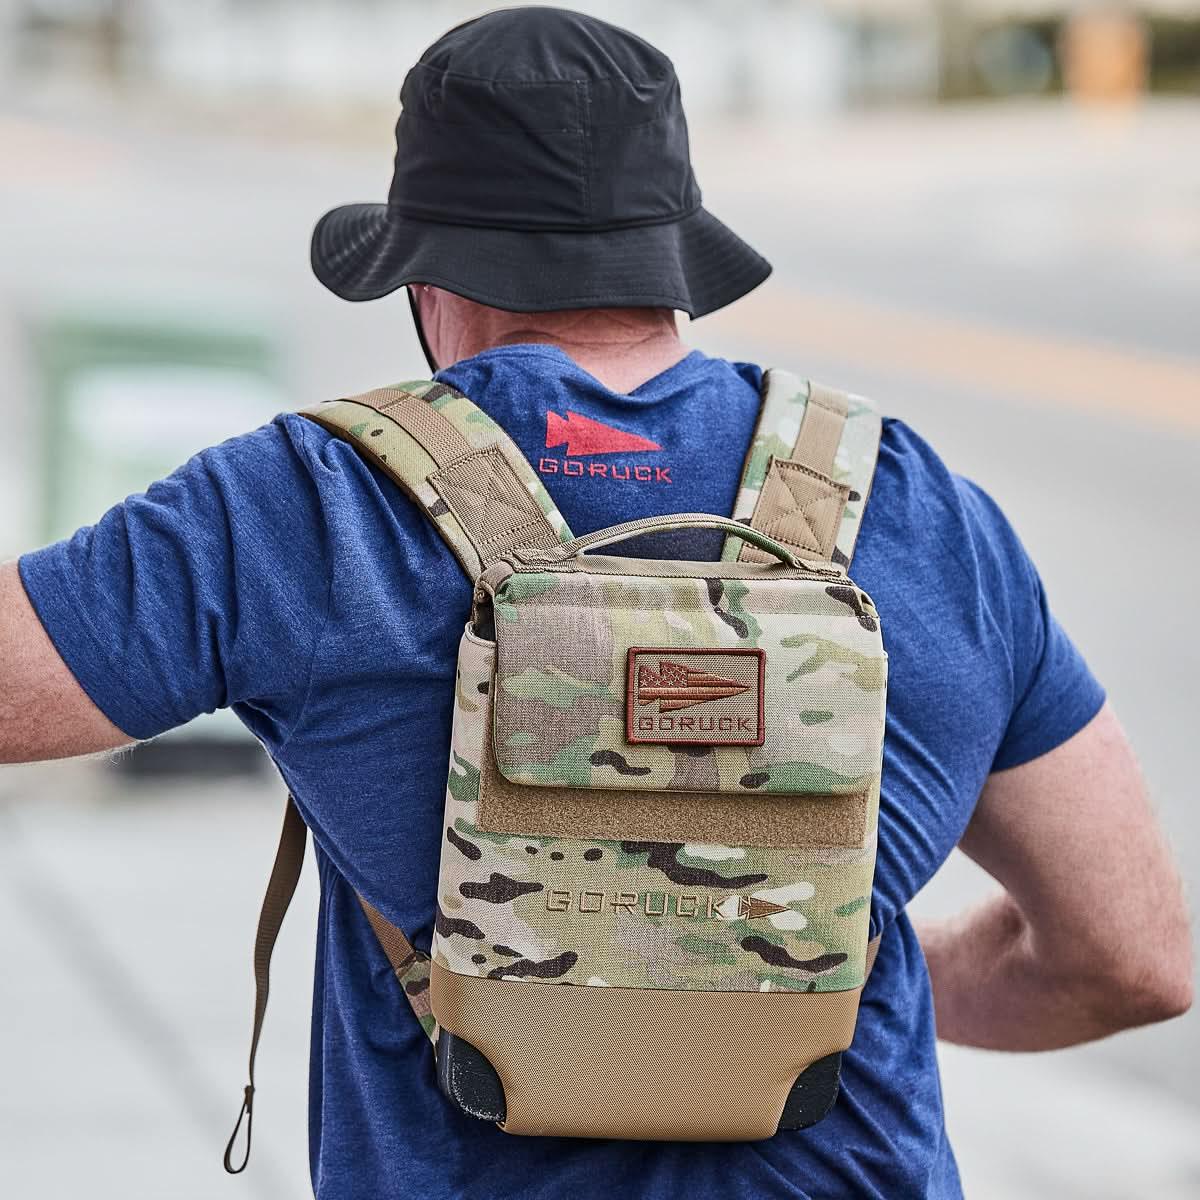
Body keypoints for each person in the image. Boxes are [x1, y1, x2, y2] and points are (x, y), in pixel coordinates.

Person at [0, 8, 1190, 1199]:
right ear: (674, 265)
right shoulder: (923, 511)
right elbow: (1134, 960)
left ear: (423, 281)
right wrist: (785, 975)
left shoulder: (309, 504)